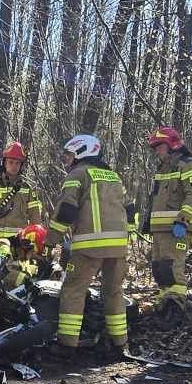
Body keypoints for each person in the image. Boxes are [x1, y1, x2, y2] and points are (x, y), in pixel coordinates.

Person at [47, 133, 131, 362]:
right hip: (119, 247)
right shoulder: (114, 176)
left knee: (73, 290)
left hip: (89, 246)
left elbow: (66, 210)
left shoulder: (78, 174)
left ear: (82, 152)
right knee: (113, 292)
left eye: (70, 155)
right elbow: (129, 209)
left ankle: (67, 344)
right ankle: (120, 343)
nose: (67, 160)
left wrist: (50, 239)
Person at [142, 126, 192, 328]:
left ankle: (176, 310)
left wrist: (183, 219)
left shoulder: (188, 166)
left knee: (172, 268)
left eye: (159, 147)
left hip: (178, 228)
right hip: (160, 230)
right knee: (159, 269)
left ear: (171, 145)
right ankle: (164, 305)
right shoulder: (162, 169)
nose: (157, 151)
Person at [0, 141, 44, 260]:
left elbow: (35, 219)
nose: (14, 166)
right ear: (4, 162)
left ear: (22, 166)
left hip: (18, 244)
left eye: (17, 163)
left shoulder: (28, 189)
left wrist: (35, 244)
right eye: (11, 162)